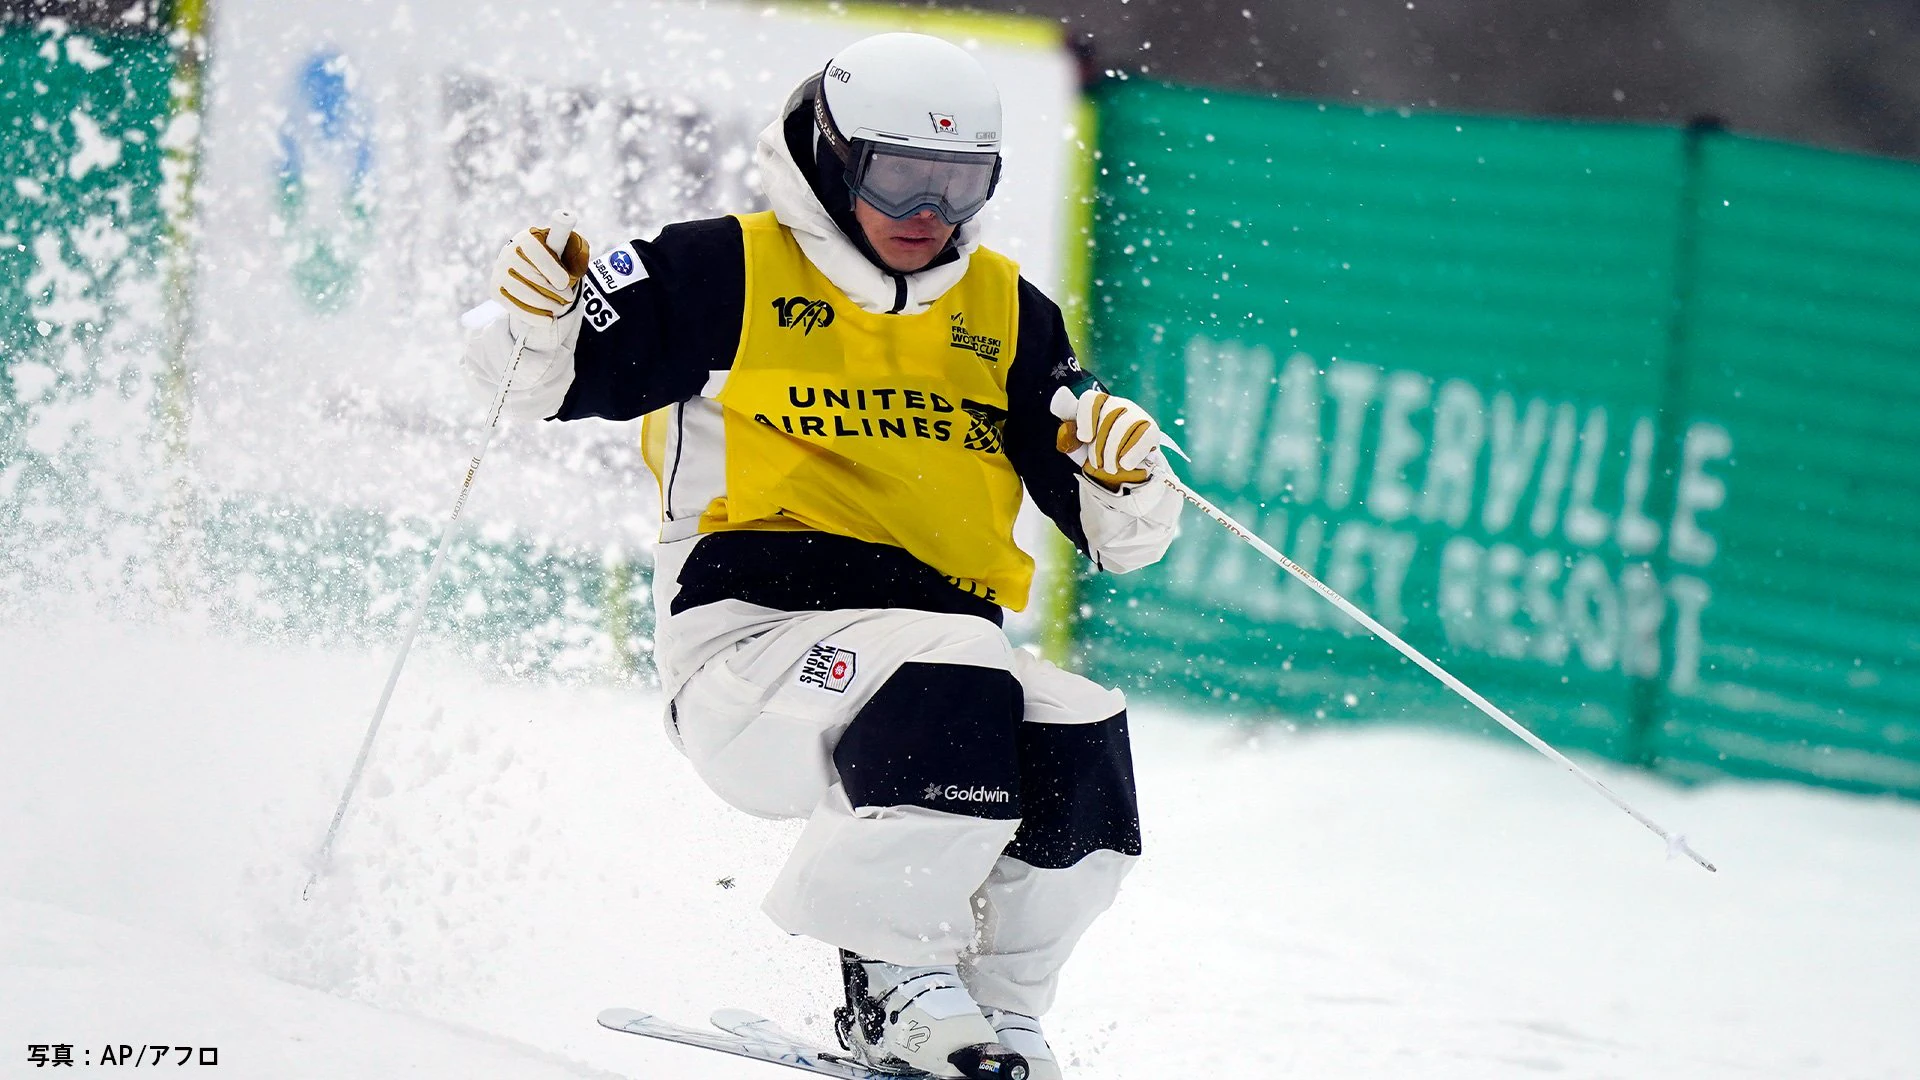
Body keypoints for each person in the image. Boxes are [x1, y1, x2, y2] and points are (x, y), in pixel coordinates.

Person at [463, 32, 1182, 1080]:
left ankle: (998, 1014)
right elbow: (530, 384)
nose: (928, 216)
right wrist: (530, 317)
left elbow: (1118, 539)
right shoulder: (726, 269)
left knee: (1079, 726)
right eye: (901, 180)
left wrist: (1127, 477)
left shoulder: (1008, 317)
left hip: (932, 673)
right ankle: (893, 982)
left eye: (960, 186)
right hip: (749, 651)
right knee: (956, 669)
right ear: (836, 156)